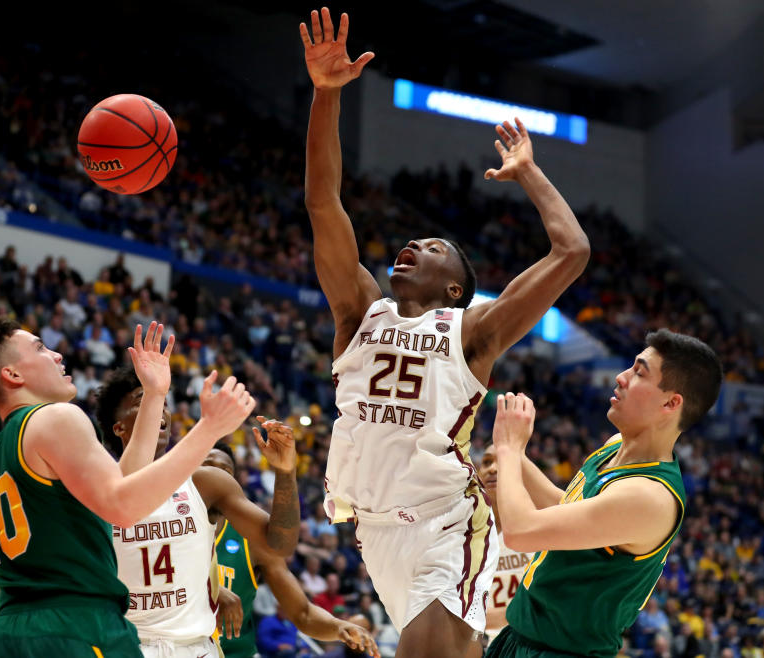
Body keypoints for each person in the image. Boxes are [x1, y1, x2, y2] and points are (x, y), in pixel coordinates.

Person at [299, 9, 590, 657]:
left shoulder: (471, 332)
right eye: (411, 241)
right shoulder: (358, 311)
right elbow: (324, 203)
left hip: (444, 524)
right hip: (372, 532)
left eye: (431, 247)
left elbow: (571, 252)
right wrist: (326, 95)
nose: (411, 246)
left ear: (455, 287)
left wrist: (530, 174)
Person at [0, 317, 256, 657]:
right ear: (12, 374)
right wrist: (208, 429)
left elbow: (116, 490)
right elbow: (124, 508)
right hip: (77, 626)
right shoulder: (56, 417)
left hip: (14, 631)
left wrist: (154, 396)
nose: (57, 354)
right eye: (40, 348)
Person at [484, 330, 723, 657]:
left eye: (639, 372)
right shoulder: (615, 446)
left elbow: (520, 531)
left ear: (671, 402)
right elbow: (568, 510)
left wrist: (511, 450)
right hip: (521, 638)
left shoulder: (648, 495)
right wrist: (512, 451)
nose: (621, 377)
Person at [95, 323, 299, 658]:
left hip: (196, 648)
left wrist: (286, 473)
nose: (158, 407)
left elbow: (280, 543)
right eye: (142, 399)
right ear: (118, 426)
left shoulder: (206, 482)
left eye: (161, 400)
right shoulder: (97, 485)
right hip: (127, 644)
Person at [205, 446, 378, 658]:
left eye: (224, 472)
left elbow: (303, 612)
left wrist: (337, 627)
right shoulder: (166, 527)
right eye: (207, 468)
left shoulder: (251, 539)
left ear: (234, 485)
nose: (214, 478)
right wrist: (213, 591)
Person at [464, 443, 532, 658]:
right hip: (484, 643)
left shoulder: (538, 524)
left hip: (530, 642)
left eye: (501, 462)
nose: (492, 468)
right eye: (486, 462)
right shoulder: (464, 532)